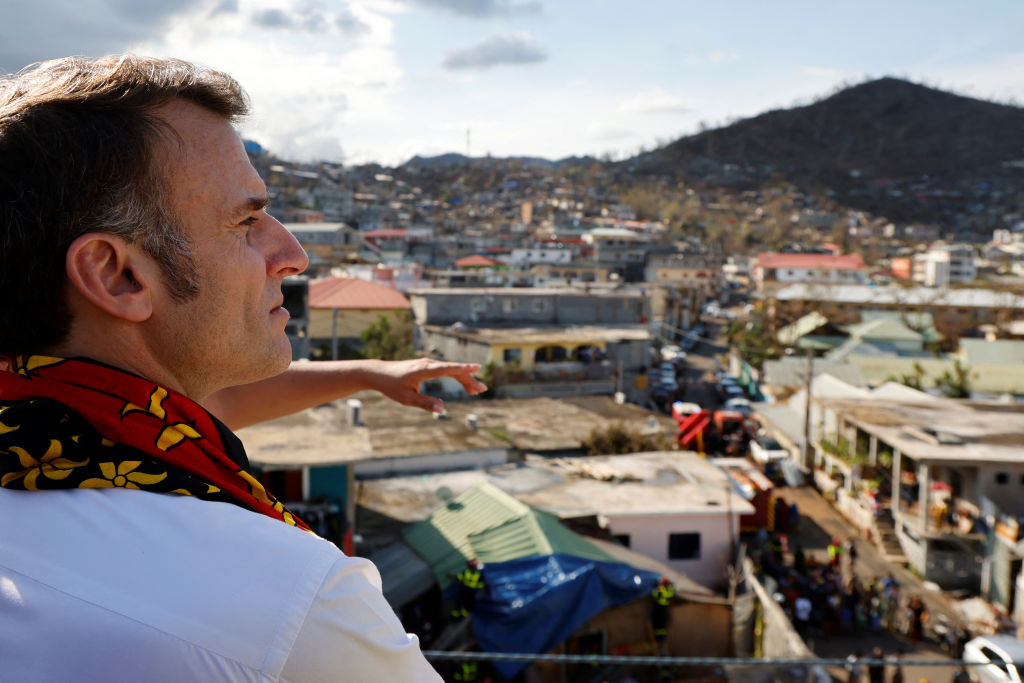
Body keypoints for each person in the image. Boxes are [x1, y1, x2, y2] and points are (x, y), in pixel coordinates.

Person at [0, 55, 488, 682]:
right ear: (116, 274)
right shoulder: (295, 604)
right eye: (245, 221)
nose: (293, 254)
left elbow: (207, 409)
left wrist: (367, 372)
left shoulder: (46, 437)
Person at [651, 576, 676, 647]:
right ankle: (662, 639)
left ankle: (657, 638)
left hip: (659, 608)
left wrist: (657, 588)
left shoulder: (661, 589)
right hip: (665, 608)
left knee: (657, 622)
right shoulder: (670, 589)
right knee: (663, 624)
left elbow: (654, 594)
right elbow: (672, 592)